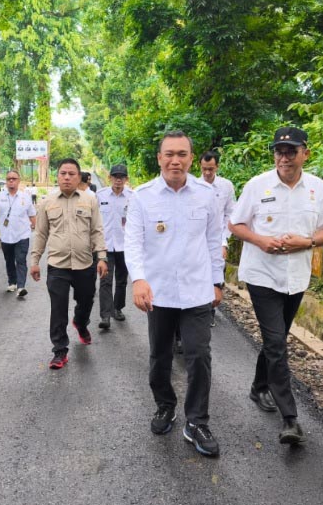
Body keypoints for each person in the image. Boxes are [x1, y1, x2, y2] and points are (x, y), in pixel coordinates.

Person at [228, 126, 323, 445]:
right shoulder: (257, 185)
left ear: (305, 153)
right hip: (263, 275)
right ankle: (290, 418)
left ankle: (258, 386)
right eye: (279, 151)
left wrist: (307, 241)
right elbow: (235, 223)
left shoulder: (316, 188)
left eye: (291, 151)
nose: (284, 157)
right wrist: (260, 240)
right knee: (277, 342)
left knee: (276, 338)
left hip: (296, 278)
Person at [124, 131, 224, 457]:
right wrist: (138, 280)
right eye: (169, 154)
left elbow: (213, 242)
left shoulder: (207, 196)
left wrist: (217, 283)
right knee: (160, 357)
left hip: (197, 292)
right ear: (159, 158)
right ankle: (165, 405)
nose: (175, 160)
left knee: (200, 357)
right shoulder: (142, 196)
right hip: (159, 293)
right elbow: (133, 243)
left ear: (192, 159)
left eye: (182, 153)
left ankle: (196, 421)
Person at [30, 159, 108, 369]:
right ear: (58, 176)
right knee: (58, 308)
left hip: (85, 264)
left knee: (86, 301)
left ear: (78, 177)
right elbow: (41, 233)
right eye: (63, 173)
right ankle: (59, 351)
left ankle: (81, 323)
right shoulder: (47, 202)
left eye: (71, 174)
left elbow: (97, 230)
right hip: (58, 265)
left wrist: (102, 257)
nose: (66, 177)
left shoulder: (89, 200)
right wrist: (35, 260)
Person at [199, 150, 236, 327]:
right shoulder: (194, 186)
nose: (207, 173)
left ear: (217, 167)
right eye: (205, 169)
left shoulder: (226, 186)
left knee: (216, 274)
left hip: (218, 238)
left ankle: (210, 310)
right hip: (198, 239)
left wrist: (223, 241)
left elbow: (230, 214)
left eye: (211, 169)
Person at [0, 170, 37, 297]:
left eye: (14, 178)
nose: (11, 181)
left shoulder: (25, 196)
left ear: (19, 181)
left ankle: (21, 287)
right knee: (9, 260)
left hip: (22, 235)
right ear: (6, 182)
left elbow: (32, 214)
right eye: (9, 179)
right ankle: (12, 282)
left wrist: (35, 225)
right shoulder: (0, 196)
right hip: (6, 235)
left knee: (20, 260)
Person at [95, 164, 133, 329]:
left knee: (122, 281)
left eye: (122, 177)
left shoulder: (133, 197)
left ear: (126, 179)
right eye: (115, 176)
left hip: (125, 246)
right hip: (105, 246)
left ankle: (117, 308)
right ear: (109, 178)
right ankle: (105, 316)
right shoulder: (100, 196)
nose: (118, 180)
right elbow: (94, 221)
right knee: (105, 281)